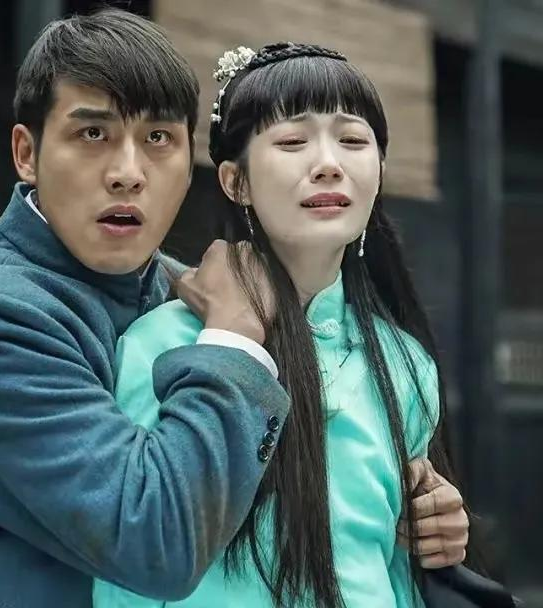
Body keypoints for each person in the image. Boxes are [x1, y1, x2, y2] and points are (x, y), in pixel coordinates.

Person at [0, 11, 291, 608]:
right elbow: (157, 539)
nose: (128, 174)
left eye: (158, 139)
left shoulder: (185, 291)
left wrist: (409, 502)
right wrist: (234, 337)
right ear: (26, 153)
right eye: (92, 134)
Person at [93, 42, 469, 608]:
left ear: (379, 172)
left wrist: (435, 535)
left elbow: (393, 574)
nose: (328, 164)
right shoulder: (165, 345)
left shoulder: (404, 364)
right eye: (293, 142)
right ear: (235, 182)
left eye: (353, 140)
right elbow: (129, 572)